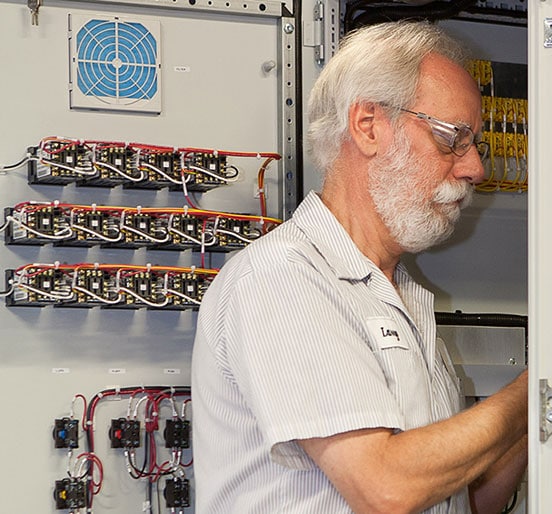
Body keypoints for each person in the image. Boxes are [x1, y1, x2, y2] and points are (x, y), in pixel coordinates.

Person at [191, 21, 528, 514]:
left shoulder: (398, 295)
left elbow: (466, 502)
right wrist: (534, 392)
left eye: (475, 144)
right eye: (452, 138)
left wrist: (551, 392)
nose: (474, 168)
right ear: (368, 125)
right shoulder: (282, 278)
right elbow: (385, 489)